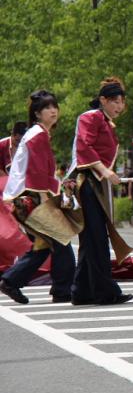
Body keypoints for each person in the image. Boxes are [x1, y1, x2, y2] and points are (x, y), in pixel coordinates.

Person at [0, 91, 77, 305]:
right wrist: (46, 201)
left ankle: (11, 281)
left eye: (55, 106)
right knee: (61, 240)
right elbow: (36, 172)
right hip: (32, 198)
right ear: (37, 113)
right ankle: (62, 289)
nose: (53, 111)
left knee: (43, 245)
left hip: (26, 197)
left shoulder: (38, 133)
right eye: (47, 108)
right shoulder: (37, 135)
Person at [68, 77, 133, 305]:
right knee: (96, 238)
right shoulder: (90, 117)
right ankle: (106, 292)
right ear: (103, 100)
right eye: (115, 101)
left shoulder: (106, 122)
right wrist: (104, 171)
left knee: (91, 239)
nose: (119, 106)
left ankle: (81, 290)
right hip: (88, 184)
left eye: (122, 102)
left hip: (97, 183)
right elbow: (83, 146)